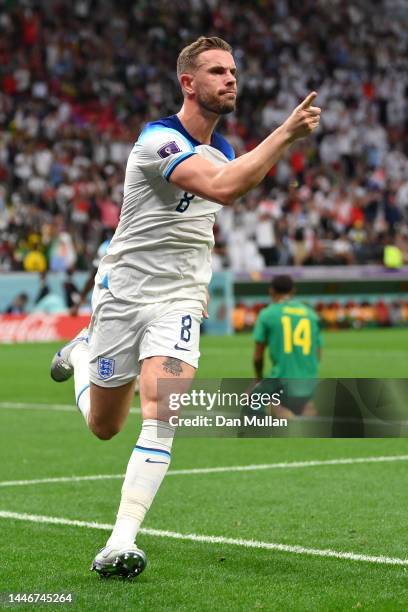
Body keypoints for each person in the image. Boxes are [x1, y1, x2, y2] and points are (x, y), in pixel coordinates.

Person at [50, 36, 321, 579]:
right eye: (218, 71)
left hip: (179, 299)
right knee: (105, 427)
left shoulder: (219, 152)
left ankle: (120, 542)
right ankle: (82, 355)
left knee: (162, 413)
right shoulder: (157, 142)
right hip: (123, 296)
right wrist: (286, 133)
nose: (231, 79)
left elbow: (233, 180)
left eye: (234, 71)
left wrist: (277, 145)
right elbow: (224, 187)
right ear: (188, 83)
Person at [253, 275, 321, 419]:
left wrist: (259, 379)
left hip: (281, 381)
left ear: (271, 291)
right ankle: (304, 408)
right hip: (309, 383)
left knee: (253, 400)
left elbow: (258, 356)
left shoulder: (268, 314)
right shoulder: (310, 314)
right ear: (293, 291)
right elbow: (318, 353)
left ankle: (282, 413)